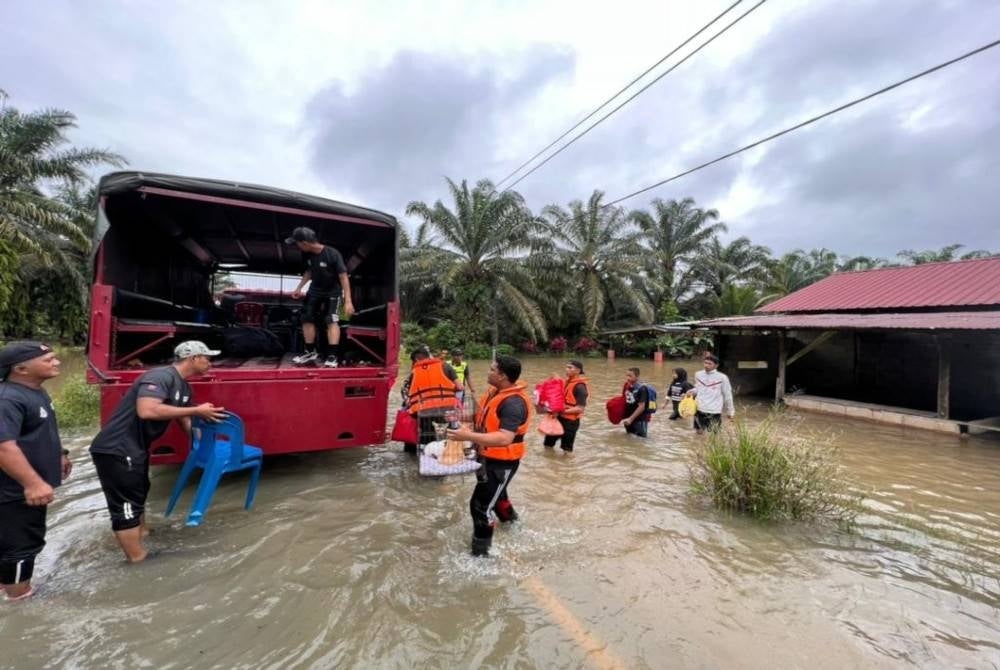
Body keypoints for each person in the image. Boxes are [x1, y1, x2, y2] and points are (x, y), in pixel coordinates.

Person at [89, 341, 227, 562]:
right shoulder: (160, 377)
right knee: (126, 505)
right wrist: (197, 410)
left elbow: (185, 419)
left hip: (136, 447)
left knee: (140, 491)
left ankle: (142, 534)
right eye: (207, 358)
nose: (210, 363)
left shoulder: (184, 387)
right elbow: (147, 410)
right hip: (117, 448)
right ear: (193, 358)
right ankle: (137, 558)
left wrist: (205, 447)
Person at [0, 342, 69, 602]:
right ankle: (19, 601)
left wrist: (60, 453)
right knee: (21, 546)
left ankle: (6, 586)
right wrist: (33, 484)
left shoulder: (35, 391)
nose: (56, 362)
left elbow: (39, 429)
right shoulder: (7, 398)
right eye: (48, 360)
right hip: (13, 490)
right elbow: (3, 446)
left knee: (12, 540)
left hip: (24, 486)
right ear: (21, 369)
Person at [447, 355, 531, 557]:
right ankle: (514, 527)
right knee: (499, 497)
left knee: (480, 507)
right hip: (487, 456)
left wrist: (467, 436)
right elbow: (483, 417)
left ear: (502, 376)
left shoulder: (513, 403)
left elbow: (504, 438)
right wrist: (460, 417)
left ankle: (481, 556)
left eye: (492, 369)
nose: (488, 371)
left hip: (502, 463)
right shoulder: (495, 392)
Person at [286, 226, 356, 368]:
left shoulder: (333, 254)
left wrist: (348, 301)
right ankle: (310, 352)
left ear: (304, 243)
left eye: (297, 243)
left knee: (331, 320)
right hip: (314, 291)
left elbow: (343, 277)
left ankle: (332, 356)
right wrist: (299, 288)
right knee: (306, 318)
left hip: (333, 292)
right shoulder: (306, 254)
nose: (297, 246)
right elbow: (309, 271)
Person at [403, 347, 461, 453]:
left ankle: (422, 454)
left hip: (423, 411)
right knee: (442, 433)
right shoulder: (445, 366)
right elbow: (460, 387)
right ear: (429, 356)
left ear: (416, 360)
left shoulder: (414, 372)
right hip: (444, 409)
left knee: (424, 435)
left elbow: (406, 391)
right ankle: (443, 452)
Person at [542, 360, 588, 453]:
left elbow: (580, 408)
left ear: (578, 371)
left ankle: (567, 462)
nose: (567, 369)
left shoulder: (580, 387)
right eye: (566, 367)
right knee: (547, 444)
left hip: (570, 422)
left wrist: (561, 411)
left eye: (570, 368)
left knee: (566, 450)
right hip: (558, 419)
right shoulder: (566, 382)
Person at [687, 354, 734, 434]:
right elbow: (699, 389)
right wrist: (691, 391)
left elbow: (727, 395)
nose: (706, 365)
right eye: (705, 363)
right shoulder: (698, 374)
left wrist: (730, 411)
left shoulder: (722, 377)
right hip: (699, 408)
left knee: (714, 434)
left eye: (709, 364)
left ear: (716, 365)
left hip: (714, 411)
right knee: (699, 433)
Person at [622, 367, 650, 438]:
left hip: (640, 420)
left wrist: (630, 419)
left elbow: (642, 406)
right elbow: (624, 400)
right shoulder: (627, 386)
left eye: (630, 376)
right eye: (627, 375)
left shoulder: (642, 388)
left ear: (637, 376)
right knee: (629, 439)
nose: (628, 378)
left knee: (642, 440)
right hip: (629, 419)